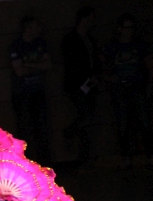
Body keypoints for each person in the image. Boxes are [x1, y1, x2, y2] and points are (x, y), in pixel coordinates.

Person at [101, 13, 153, 169]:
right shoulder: (113, 47)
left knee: (144, 122)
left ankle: (149, 154)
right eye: (126, 28)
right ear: (120, 29)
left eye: (132, 28)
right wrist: (109, 78)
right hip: (120, 88)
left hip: (137, 87)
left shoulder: (139, 45)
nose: (129, 31)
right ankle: (126, 156)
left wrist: (149, 86)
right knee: (123, 124)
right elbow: (101, 63)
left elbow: (150, 65)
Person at [62, 7, 102, 170]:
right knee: (85, 117)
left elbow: (94, 60)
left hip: (89, 84)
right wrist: (87, 78)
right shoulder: (71, 40)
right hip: (77, 85)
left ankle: (85, 155)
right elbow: (73, 64)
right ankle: (73, 137)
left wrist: (94, 76)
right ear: (83, 19)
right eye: (90, 19)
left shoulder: (89, 39)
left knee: (88, 118)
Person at [10, 16, 53, 166]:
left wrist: (28, 64)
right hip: (22, 94)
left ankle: (44, 165)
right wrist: (38, 66)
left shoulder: (40, 43)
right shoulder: (17, 46)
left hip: (38, 92)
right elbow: (19, 71)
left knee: (42, 129)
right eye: (35, 26)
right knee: (25, 131)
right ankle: (26, 165)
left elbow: (48, 65)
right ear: (27, 29)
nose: (39, 29)